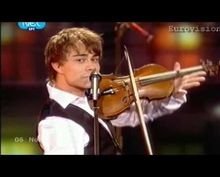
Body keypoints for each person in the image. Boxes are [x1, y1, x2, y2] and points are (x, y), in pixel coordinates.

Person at [37, 27, 206, 155]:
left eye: (94, 59)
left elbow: (138, 114)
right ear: (57, 65)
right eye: (81, 60)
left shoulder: (94, 97)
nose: (92, 67)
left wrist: (173, 93)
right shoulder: (57, 122)